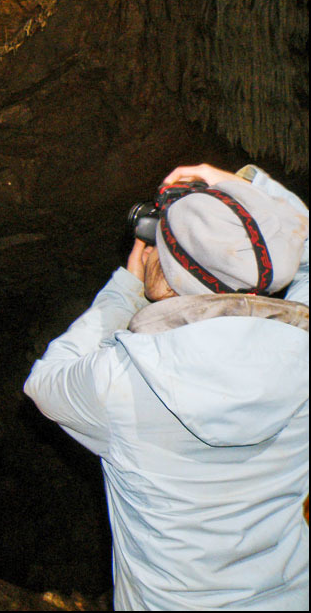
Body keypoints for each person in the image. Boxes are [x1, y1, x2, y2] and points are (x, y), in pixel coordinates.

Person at [24, 163, 309, 611]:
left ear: (169, 270)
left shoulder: (122, 381)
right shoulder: (303, 350)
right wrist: (236, 182)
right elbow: (303, 243)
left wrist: (126, 287)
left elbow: (45, 381)